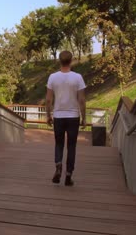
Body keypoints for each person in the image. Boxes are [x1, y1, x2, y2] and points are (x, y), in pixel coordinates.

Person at [46, 51, 86, 186]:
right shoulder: (78, 77)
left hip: (58, 116)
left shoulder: (52, 77)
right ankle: (68, 175)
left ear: (59, 61)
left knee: (59, 144)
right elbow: (82, 100)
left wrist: (48, 115)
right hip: (73, 116)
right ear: (71, 61)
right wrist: (84, 117)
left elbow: (48, 99)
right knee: (71, 146)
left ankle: (58, 165)